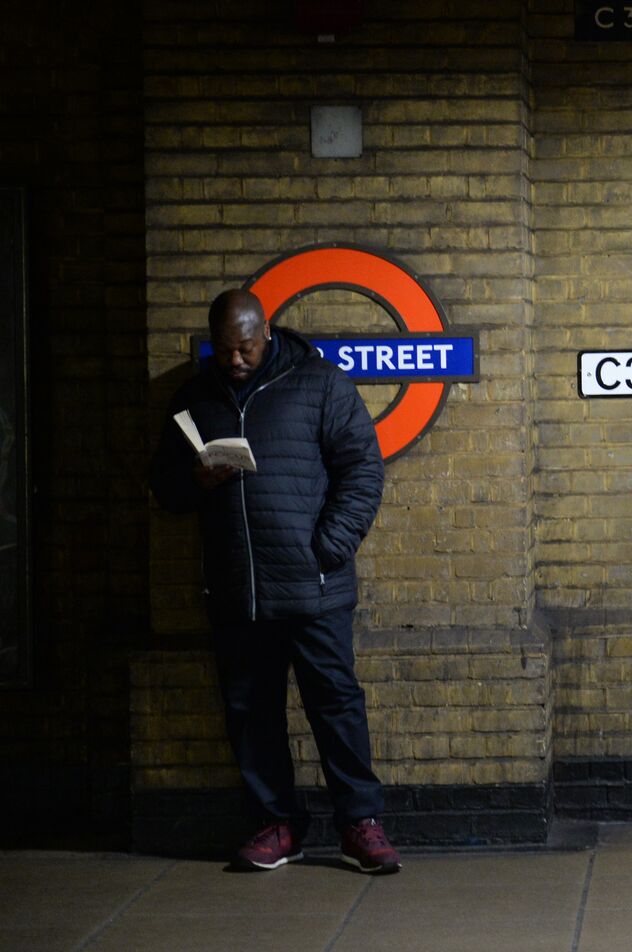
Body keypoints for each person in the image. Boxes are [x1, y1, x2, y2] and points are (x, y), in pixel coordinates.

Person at [151, 289, 401, 875]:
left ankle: (360, 826)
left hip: (315, 587)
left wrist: (328, 550)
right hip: (238, 590)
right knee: (249, 711)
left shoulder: (319, 384)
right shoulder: (194, 398)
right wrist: (195, 480)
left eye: (245, 348)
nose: (235, 361)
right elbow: (164, 487)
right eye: (225, 350)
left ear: (266, 333)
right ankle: (277, 825)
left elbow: (363, 469)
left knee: (336, 706)